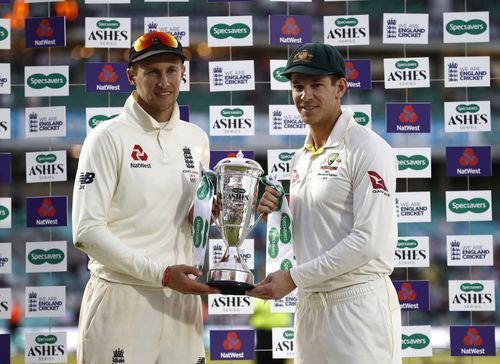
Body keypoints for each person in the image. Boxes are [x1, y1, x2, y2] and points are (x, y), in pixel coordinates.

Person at [247, 42, 402, 364]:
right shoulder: (301, 157)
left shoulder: (368, 149)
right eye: (298, 86)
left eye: (316, 85)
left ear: (340, 88)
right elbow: (317, 231)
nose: (306, 95)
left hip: (357, 307)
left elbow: (368, 242)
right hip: (310, 306)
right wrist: (278, 216)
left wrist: (292, 278)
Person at [72, 31, 219, 364]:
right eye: (152, 71)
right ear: (131, 76)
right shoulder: (107, 137)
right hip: (123, 296)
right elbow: (86, 232)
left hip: (182, 301)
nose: (163, 81)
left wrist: (206, 211)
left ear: (184, 72)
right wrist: (162, 274)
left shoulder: (195, 139)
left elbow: (180, 216)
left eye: (171, 70)